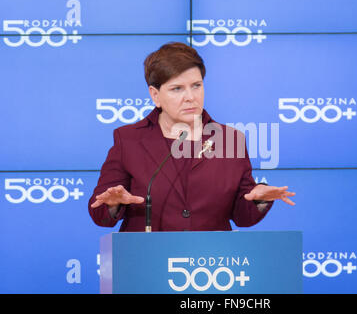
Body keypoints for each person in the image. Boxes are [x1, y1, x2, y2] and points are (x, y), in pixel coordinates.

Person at [88, 42, 295, 232]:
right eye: (177, 89)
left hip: (210, 264)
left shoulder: (231, 139)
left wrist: (258, 199)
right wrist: (113, 203)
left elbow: (242, 217)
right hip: (147, 263)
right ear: (155, 95)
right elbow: (99, 214)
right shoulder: (129, 139)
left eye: (196, 85)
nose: (190, 97)